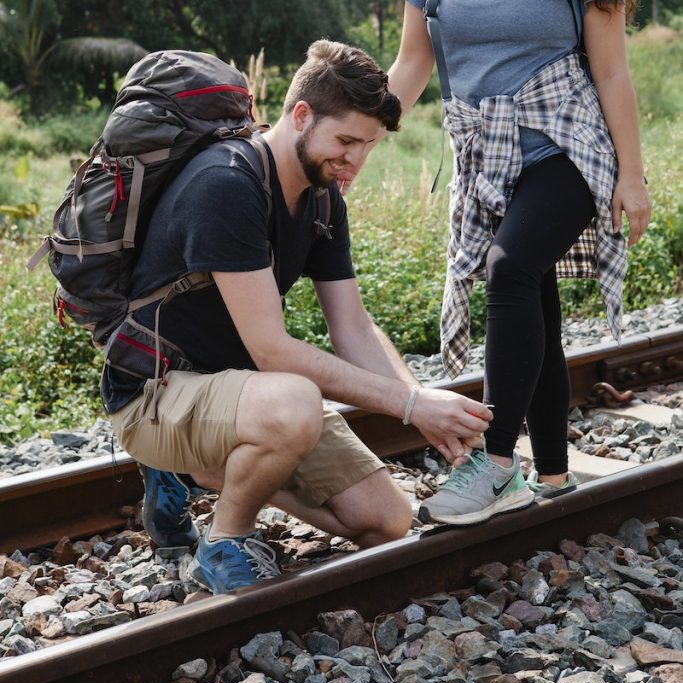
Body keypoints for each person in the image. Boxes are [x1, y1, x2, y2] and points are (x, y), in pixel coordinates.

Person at [101, 39, 491, 592]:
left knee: (386, 520)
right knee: (296, 400)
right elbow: (273, 350)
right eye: (347, 140)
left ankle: (202, 471)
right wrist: (410, 404)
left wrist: (421, 405)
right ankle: (225, 539)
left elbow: (353, 328)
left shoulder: (323, 195)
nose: (355, 160)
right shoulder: (228, 184)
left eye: (370, 146)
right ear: (301, 116)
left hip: (239, 395)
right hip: (156, 394)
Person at [386, 0, 651, 526]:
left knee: (509, 272)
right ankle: (556, 475)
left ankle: (496, 463)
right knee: (531, 299)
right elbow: (413, 63)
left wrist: (631, 176)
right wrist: (365, 134)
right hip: (484, 153)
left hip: (565, 141)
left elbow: (612, 75)